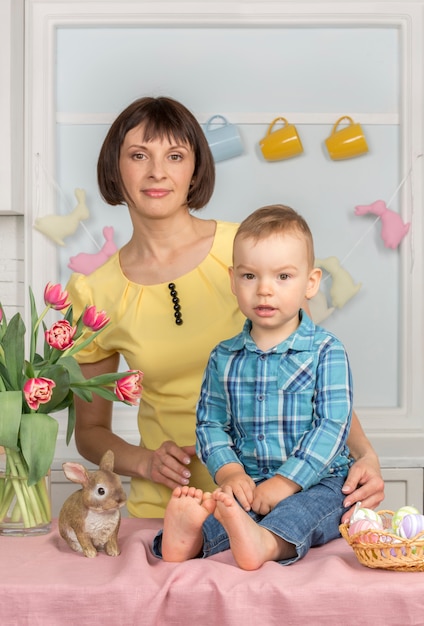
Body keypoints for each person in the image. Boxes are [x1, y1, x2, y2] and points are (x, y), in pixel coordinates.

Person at [65, 96, 384, 520]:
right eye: (139, 155)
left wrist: (367, 456)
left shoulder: (249, 251)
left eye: (174, 156)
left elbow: (315, 371)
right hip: (170, 510)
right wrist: (145, 462)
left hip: (275, 500)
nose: (157, 172)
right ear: (114, 167)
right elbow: (89, 432)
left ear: (195, 169)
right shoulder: (93, 292)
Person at [153, 204, 354, 568]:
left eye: (282, 277)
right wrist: (229, 471)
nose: (264, 290)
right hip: (249, 479)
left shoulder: (327, 351)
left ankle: (266, 544)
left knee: (302, 512)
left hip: (318, 481)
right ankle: (190, 539)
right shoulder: (223, 357)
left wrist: (285, 482)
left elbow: (332, 426)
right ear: (233, 280)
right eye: (249, 276)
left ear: (310, 283)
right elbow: (210, 424)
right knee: (226, 509)